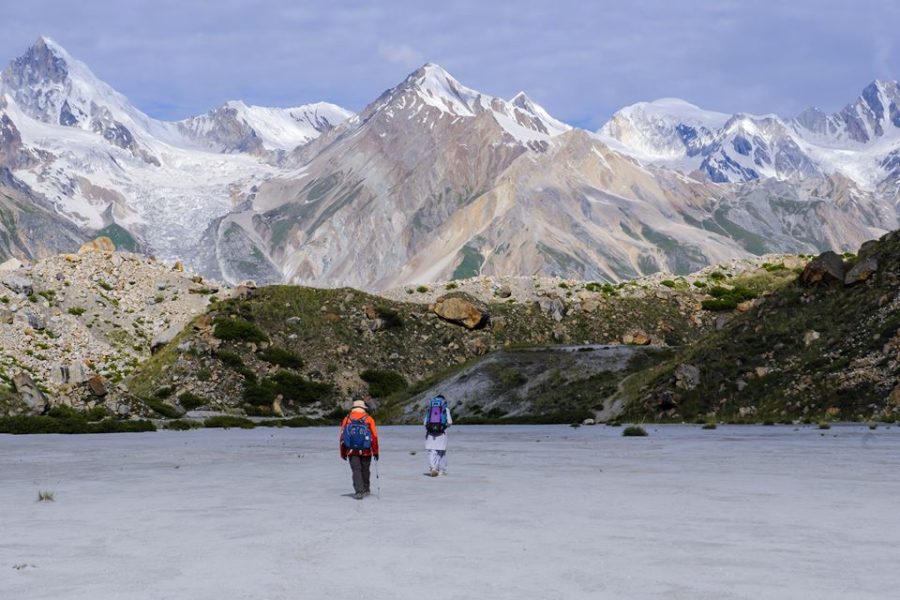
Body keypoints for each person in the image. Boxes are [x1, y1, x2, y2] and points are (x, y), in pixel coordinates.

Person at [339, 399, 379, 499]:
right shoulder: (369, 419)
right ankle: (366, 489)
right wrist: (375, 452)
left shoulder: (347, 419)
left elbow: (342, 437)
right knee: (365, 470)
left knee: (356, 470)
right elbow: (374, 437)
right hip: (366, 451)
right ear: (363, 408)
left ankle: (359, 492)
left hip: (352, 451)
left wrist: (343, 452)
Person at [424, 394, 452, 477]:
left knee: (432, 452)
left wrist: (430, 428)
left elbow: (425, 423)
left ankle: (433, 468)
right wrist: (444, 426)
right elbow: (450, 422)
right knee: (441, 452)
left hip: (430, 434)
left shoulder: (430, 409)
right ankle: (441, 470)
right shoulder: (445, 409)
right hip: (442, 433)